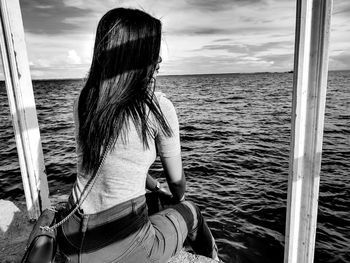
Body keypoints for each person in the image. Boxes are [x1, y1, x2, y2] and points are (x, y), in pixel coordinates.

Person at [57, 7, 219, 263]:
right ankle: (212, 259)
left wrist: (155, 188)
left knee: (153, 202)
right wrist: (176, 197)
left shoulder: (84, 100)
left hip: (70, 235)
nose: (160, 61)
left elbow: (116, 164)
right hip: (120, 247)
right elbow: (177, 184)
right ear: (137, 57)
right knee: (192, 212)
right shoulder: (158, 107)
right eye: (154, 52)